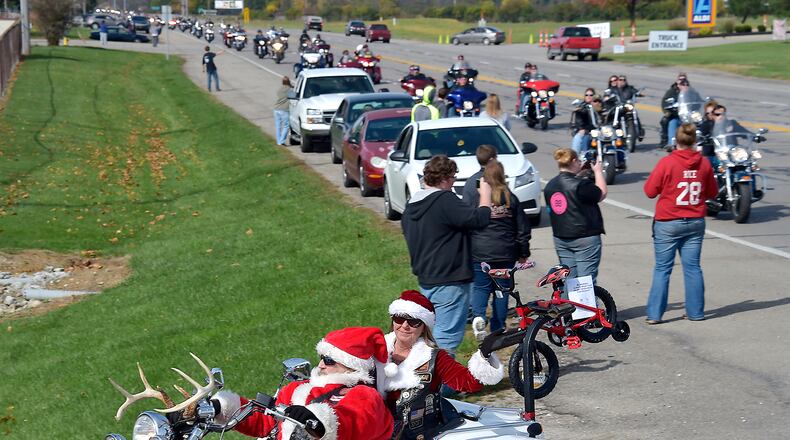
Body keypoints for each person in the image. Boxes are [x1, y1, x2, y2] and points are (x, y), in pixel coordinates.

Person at [212, 327, 394, 439]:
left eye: (329, 360)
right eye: (322, 358)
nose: (321, 364)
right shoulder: (298, 388)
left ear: (351, 366)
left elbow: (351, 422)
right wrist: (221, 407)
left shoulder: (364, 395)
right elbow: (266, 422)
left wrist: (316, 421)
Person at [401, 155, 492, 355]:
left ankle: (425, 379)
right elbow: (479, 219)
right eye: (453, 178)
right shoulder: (444, 200)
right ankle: (440, 385)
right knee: (447, 336)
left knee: (432, 334)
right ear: (444, 178)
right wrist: (485, 195)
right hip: (450, 279)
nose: (453, 183)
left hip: (427, 278)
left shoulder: (412, 206)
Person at [383, 290, 505, 439]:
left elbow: (470, 383)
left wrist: (485, 353)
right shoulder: (377, 348)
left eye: (414, 321)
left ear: (423, 327)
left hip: (417, 433)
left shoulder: (434, 357)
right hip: (376, 428)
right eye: (399, 318)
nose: (405, 326)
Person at [643, 123, 718, 324]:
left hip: (668, 220)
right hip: (694, 220)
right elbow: (712, 192)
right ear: (694, 141)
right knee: (693, 267)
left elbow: (650, 191)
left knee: (662, 269)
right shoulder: (703, 163)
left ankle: (655, 314)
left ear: (676, 140)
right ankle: (695, 312)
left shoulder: (667, 163)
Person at [465, 158, 531, 338]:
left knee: (480, 288)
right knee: (502, 291)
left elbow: (468, 223)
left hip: (480, 253)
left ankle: (479, 317)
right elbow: (522, 228)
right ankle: (498, 326)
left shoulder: (478, 199)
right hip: (505, 253)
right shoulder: (510, 198)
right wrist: (523, 252)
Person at [544, 148, 607, 285]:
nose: (580, 163)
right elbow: (601, 194)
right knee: (586, 281)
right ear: (573, 161)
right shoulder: (581, 185)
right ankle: (585, 305)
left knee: (570, 279)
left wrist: (580, 175)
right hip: (585, 237)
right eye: (578, 160)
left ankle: (569, 305)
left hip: (561, 236)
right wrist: (597, 172)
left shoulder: (550, 185)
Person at [660, 73, 689, 147]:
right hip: (676, 115)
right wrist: (667, 111)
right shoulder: (672, 91)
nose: (683, 83)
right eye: (680, 80)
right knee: (669, 121)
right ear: (677, 82)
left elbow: (698, 101)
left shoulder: (691, 91)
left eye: (684, 80)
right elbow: (665, 102)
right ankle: (669, 141)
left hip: (688, 116)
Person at [570, 88, 598, 156]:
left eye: (591, 95)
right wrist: (581, 128)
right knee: (579, 137)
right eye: (586, 95)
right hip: (587, 130)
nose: (588, 96)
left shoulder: (598, 105)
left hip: (598, 131)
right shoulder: (582, 106)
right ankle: (576, 157)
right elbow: (579, 120)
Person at [274, 76, 292, 146]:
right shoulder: (289, 89)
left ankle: (278, 142)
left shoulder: (279, 89)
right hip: (284, 109)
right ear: (288, 82)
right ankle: (282, 141)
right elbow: (293, 96)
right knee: (286, 125)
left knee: (278, 126)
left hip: (276, 108)